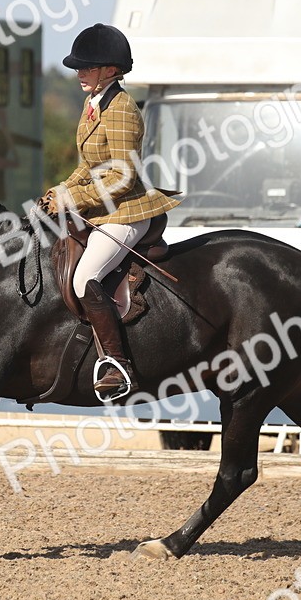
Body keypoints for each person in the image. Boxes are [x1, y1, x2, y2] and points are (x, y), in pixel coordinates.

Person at [40, 23, 179, 399]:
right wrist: (62, 189)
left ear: (110, 69)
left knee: (85, 276)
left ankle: (117, 365)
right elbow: (89, 166)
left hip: (128, 212)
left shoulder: (121, 109)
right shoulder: (93, 104)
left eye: (86, 67)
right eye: (77, 68)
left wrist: (74, 200)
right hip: (103, 210)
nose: (78, 73)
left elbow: (121, 175)